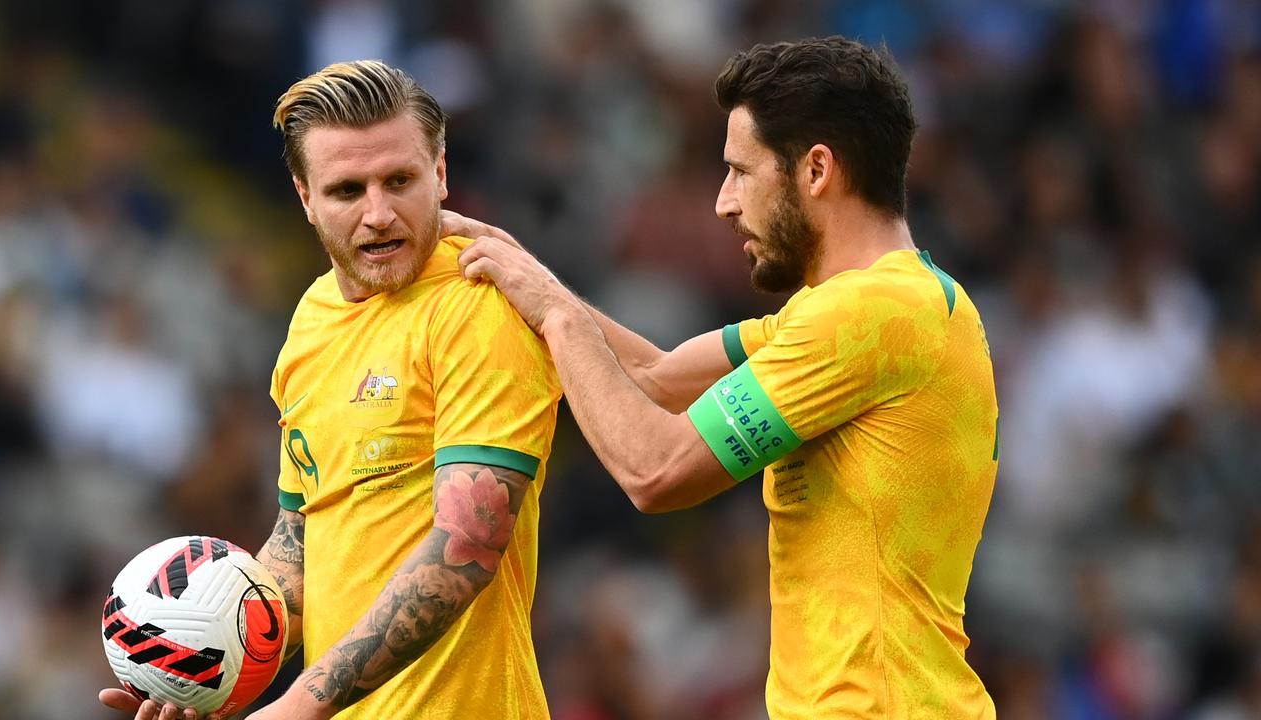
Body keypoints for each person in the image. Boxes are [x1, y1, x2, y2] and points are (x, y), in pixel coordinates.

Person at [453, 36, 999, 717]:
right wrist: (523, 274)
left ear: (817, 170)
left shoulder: (872, 316)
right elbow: (654, 375)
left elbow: (655, 471)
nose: (723, 203)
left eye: (742, 171)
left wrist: (558, 321)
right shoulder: (865, 310)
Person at [99, 60, 561, 720]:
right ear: (306, 197)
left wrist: (302, 703)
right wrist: (203, 664)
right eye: (348, 190)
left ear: (441, 174)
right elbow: (300, 550)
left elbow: (468, 547)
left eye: (399, 180)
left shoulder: (476, 309)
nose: (378, 214)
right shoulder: (313, 321)